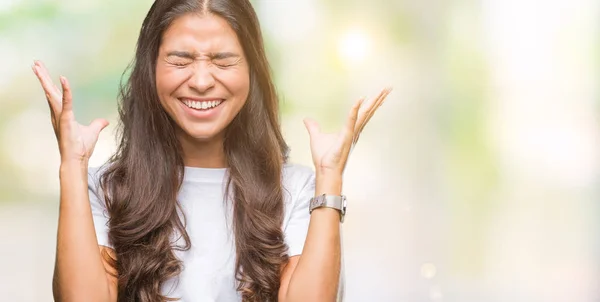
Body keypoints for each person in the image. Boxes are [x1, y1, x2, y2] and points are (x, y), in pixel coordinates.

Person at [32, 0, 390, 301]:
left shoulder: (298, 190)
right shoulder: (105, 189)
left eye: (222, 61)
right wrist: (72, 167)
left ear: (252, 71)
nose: (202, 82)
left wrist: (330, 176)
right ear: (150, 68)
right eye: (180, 60)